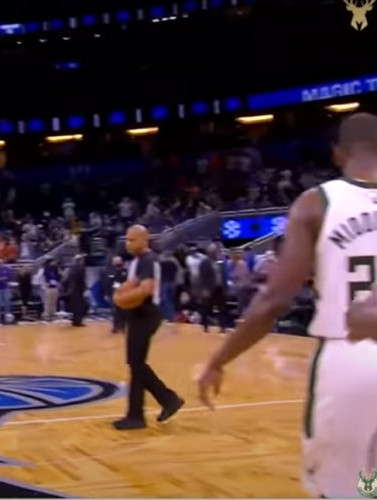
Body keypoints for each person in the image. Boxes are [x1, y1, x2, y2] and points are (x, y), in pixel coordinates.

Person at [197, 112, 377, 498]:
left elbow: (273, 301)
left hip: (350, 360)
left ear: (338, 153)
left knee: (348, 488)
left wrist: (218, 360)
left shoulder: (316, 203)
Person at [112, 225, 184, 430]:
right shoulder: (138, 261)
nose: (128, 244)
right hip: (138, 315)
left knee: (136, 363)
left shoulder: (148, 260)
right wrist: (122, 292)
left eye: (132, 240)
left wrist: (121, 300)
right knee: (136, 364)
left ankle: (168, 399)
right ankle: (136, 415)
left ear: (144, 240)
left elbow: (146, 289)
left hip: (145, 314)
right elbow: (133, 283)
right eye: (127, 240)